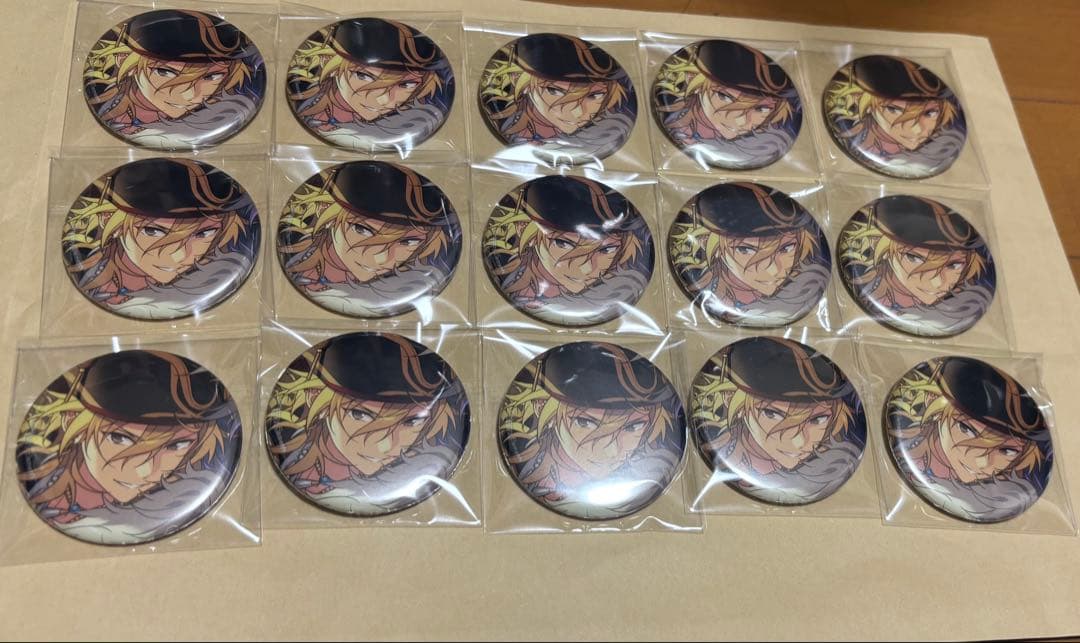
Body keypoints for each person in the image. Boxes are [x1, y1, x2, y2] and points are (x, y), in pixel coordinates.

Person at [16, 350, 241, 544]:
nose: (145, 470)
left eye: (177, 445)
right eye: (119, 438)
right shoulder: (43, 486)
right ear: (71, 419)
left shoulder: (186, 492)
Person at [265, 333, 469, 516]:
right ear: (314, 397)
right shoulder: (292, 456)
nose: (384, 446)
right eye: (360, 414)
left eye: (412, 421)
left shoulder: (428, 464)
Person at [498, 342, 685, 519]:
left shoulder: (653, 469)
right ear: (541, 407)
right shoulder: (531, 468)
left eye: (633, 426)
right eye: (584, 422)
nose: (610, 450)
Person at [62, 158, 258, 320]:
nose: (179, 256)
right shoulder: (87, 270)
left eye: (203, 234)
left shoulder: (218, 273)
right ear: (107, 220)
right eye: (152, 231)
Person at [691, 337, 865, 505]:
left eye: (818, 419)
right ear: (730, 398)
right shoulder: (722, 450)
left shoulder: (832, 466)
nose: (798, 441)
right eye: (772, 414)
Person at [278, 161, 460, 318]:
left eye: (408, 242)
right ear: (325, 213)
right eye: (362, 230)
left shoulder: (414, 283)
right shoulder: (298, 262)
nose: (381, 258)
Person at [887, 357, 1052, 522]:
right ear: (931, 401)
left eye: (1007, 450)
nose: (982, 462)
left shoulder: (1007, 496)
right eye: (966, 429)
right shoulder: (910, 454)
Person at [483, 175, 653, 326]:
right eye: (563, 243)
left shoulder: (623, 287)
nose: (586, 268)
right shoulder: (510, 274)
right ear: (522, 229)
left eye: (607, 249)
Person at [83, 9, 265, 148]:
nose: (189, 95)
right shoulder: (110, 109)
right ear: (123, 60)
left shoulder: (226, 112)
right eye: (164, 72)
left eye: (212, 76)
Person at [668, 182, 829, 326]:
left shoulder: (807, 287)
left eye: (786, 248)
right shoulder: (707, 286)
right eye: (745, 250)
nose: (773, 270)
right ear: (710, 245)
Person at [287, 18, 453, 151]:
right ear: (328, 65)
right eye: (363, 76)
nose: (383, 100)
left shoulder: (418, 120)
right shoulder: (309, 106)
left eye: (406, 84)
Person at [838, 195, 994, 336]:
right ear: (881, 248)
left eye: (954, 265)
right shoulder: (868, 287)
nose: (936, 282)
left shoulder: (966, 306)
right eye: (914, 258)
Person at [479, 33, 636, 160]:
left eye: (595, 95)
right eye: (554, 91)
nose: (577, 112)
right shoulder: (507, 119)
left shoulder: (608, 134)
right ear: (517, 79)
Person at [653, 39, 801, 169]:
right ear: (692, 79)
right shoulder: (678, 126)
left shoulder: (769, 145)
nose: (741, 120)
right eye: (724, 97)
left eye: (761, 108)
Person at [824, 55, 965, 177]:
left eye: (930, 113)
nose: (916, 129)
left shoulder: (946, 146)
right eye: (894, 110)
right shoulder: (854, 136)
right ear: (868, 106)